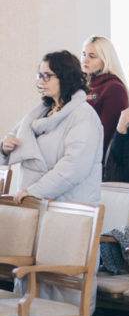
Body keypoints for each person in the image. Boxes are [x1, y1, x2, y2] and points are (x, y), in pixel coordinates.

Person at [2, 50, 103, 204]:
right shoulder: (40, 112)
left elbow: (74, 167)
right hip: (36, 201)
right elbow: (12, 137)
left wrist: (34, 192)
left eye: (47, 76)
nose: (41, 82)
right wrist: (5, 148)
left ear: (65, 77)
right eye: (40, 76)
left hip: (68, 207)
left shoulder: (83, 115)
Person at [82, 36, 129, 154]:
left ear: (105, 59)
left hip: (96, 159)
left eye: (92, 56)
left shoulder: (114, 88)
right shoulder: (84, 86)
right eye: (84, 54)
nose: (85, 60)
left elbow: (107, 133)